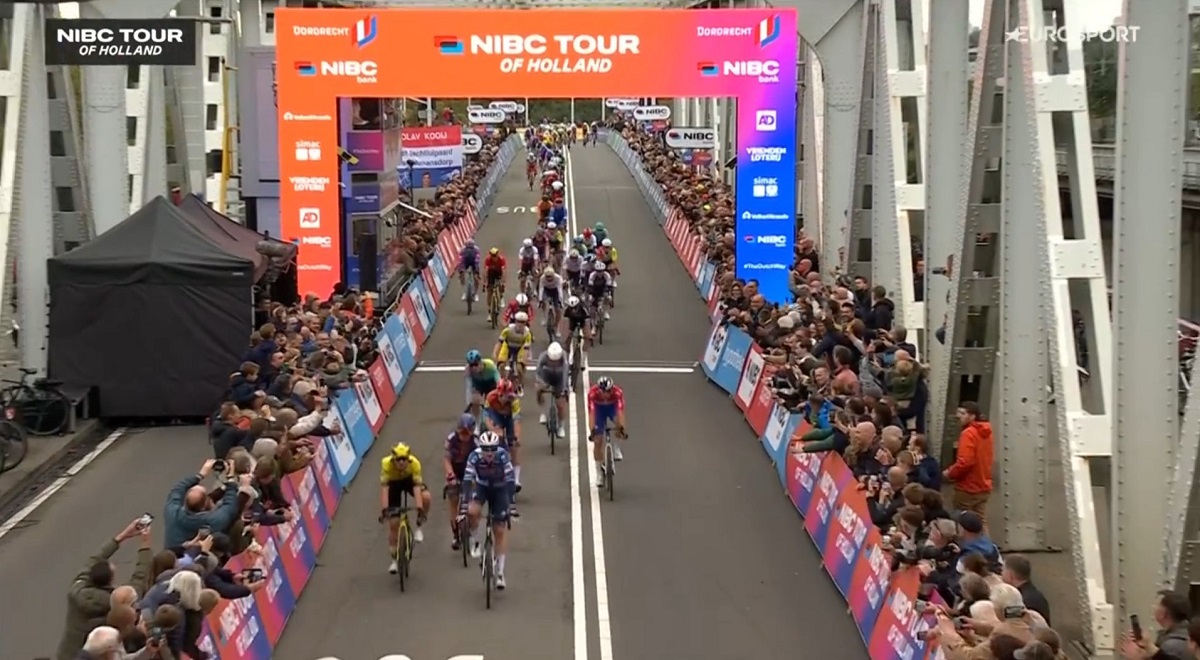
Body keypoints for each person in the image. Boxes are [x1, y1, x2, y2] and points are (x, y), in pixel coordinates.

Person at [56, 518, 154, 660]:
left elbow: (92, 560)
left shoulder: (76, 589)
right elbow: (139, 578)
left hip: (67, 654)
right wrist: (145, 545)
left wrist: (121, 536)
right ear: (109, 581)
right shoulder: (116, 603)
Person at [460, 431, 516, 589]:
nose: (489, 453)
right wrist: (464, 503)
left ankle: (500, 573)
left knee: (499, 530)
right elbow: (467, 480)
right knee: (472, 511)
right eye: (486, 449)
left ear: (497, 448)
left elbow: (510, 480)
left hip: (500, 489)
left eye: (492, 449)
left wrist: (511, 504)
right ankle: (476, 540)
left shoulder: (503, 456)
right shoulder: (474, 457)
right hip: (482, 487)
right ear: (481, 447)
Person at [378, 442, 433, 574]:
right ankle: (394, 560)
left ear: (408, 459)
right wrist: (385, 510)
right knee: (394, 524)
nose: (402, 463)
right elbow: (385, 489)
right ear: (393, 459)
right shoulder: (386, 464)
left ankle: (419, 523)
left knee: (426, 497)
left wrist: (419, 507)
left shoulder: (415, 463)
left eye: (404, 460)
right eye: (398, 460)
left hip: (409, 481)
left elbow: (416, 487)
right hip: (393, 484)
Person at [944, 401, 995, 529]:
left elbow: (965, 462)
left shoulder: (968, 433)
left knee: (962, 522)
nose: (958, 416)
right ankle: (985, 542)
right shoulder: (986, 433)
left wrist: (950, 473)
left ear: (972, 416)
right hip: (983, 485)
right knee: (980, 523)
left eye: (962, 413)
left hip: (968, 487)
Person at [443, 413, 479, 550]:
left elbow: (480, 463)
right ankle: (455, 535)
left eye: (467, 433)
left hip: (471, 471)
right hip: (456, 471)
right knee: (453, 500)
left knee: (473, 504)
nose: (464, 436)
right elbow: (447, 459)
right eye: (462, 432)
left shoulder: (476, 442)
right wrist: (450, 475)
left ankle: (473, 532)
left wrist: (477, 478)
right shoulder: (451, 439)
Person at [483, 379, 524, 493]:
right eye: (502, 395)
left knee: (513, 446)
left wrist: (517, 437)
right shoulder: (490, 397)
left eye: (507, 395)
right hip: (495, 415)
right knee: (496, 436)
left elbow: (517, 420)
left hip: (510, 417)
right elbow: (486, 417)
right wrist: (493, 430)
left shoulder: (514, 400)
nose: (504, 398)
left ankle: (516, 478)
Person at [587, 376, 627, 488]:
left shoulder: (618, 393)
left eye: (608, 391)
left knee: (619, 424)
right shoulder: (592, 393)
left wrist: (621, 428)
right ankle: (599, 473)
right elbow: (592, 414)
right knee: (598, 441)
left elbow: (620, 411)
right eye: (603, 391)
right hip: (598, 410)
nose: (606, 394)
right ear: (599, 390)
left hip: (612, 408)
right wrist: (593, 431)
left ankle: (616, 447)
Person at [536, 342, 569, 439]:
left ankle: (561, 426)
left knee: (561, 404)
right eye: (552, 361)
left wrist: (564, 389)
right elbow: (538, 372)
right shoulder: (543, 356)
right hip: (547, 376)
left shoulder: (564, 357)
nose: (554, 363)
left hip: (559, 378)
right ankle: (543, 412)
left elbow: (565, 374)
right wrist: (541, 383)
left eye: (556, 361)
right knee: (538, 388)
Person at [495, 311, 533, 390]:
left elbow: (526, 350)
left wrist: (523, 362)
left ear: (525, 323)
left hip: (520, 348)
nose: (520, 324)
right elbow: (499, 343)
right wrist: (495, 354)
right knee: (501, 365)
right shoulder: (507, 330)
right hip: (508, 346)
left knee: (519, 368)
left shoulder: (527, 334)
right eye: (518, 321)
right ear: (515, 321)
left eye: (522, 322)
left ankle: (520, 384)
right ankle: (504, 381)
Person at [464, 349, 502, 423]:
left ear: (480, 362)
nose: (474, 368)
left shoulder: (490, 365)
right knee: (475, 401)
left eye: (476, 364)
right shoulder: (468, 370)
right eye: (471, 365)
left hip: (491, 382)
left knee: (492, 401)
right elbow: (468, 387)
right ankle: (476, 422)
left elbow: (499, 382)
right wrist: (470, 402)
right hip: (478, 383)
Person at [539, 266, 566, 333]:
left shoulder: (558, 278)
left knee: (558, 309)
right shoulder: (542, 278)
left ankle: (556, 326)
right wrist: (540, 300)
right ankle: (544, 317)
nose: (549, 278)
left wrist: (561, 301)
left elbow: (560, 290)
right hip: (546, 290)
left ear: (553, 275)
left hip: (555, 291)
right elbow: (541, 289)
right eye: (547, 277)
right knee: (543, 300)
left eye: (550, 276)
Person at [457, 238, 481, 302]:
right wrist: (461, 268)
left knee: (476, 278)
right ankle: (464, 292)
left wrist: (476, 268)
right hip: (465, 262)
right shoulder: (462, 250)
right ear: (466, 245)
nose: (469, 247)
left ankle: (476, 293)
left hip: (474, 262)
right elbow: (460, 259)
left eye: (471, 245)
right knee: (462, 274)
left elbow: (477, 258)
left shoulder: (476, 249)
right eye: (468, 245)